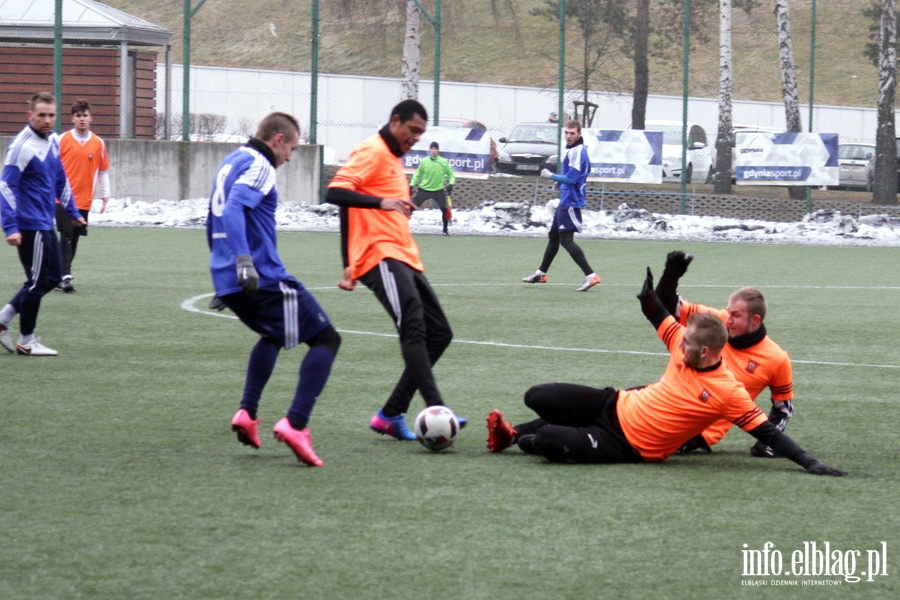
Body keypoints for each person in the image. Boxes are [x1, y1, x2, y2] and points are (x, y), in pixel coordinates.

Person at [485, 266, 846, 477]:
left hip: (627, 445)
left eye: (686, 342)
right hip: (614, 404)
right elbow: (659, 315)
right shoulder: (683, 344)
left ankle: (520, 436)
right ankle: (513, 434)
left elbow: (771, 432)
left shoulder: (729, 390)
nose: (678, 341)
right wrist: (648, 294)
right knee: (538, 396)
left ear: (703, 352)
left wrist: (811, 463)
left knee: (548, 440)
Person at [325, 99, 465, 441]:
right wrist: (379, 206)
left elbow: (350, 204)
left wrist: (347, 262)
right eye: (413, 130)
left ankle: (390, 413)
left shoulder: (392, 160)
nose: (416, 138)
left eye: (421, 133)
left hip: (404, 256)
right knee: (413, 325)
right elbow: (335, 192)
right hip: (379, 255)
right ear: (395, 121)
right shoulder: (371, 150)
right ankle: (437, 409)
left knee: (440, 333)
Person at [206, 111, 341, 467]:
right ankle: (296, 424)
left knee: (274, 335)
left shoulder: (232, 160)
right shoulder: (261, 164)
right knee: (327, 339)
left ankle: (247, 414)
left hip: (230, 277)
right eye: (291, 148)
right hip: (262, 275)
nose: (290, 158)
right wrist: (243, 261)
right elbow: (233, 208)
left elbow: (214, 217)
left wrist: (226, 274)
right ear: (277, 140)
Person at [653, 251, 795, 458]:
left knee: (628, 441)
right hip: (666, 402)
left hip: (695, 431)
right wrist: (671, 275)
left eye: (736, 316)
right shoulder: (717, 322)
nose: (728, 320)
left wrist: (767, 443)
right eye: (728, 312)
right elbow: (665, 306)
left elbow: (783, 409)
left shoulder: (777, 358)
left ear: (755, 320)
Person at [0, 92, 86, 356]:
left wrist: (73, 211)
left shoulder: (52, 141)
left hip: (45, 222)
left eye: (51, 115)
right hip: (29, 225)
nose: (47, 120)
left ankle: (2, 321)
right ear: (30, 116)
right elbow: (5, 186)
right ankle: (26, 340)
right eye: (42, 115)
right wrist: (11, 227)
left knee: (52, 278)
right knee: (38, 283)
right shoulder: (21, 147)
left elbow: (60, 180)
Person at [522, 120, 601, 292]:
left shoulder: (577, 151)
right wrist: (562, 184)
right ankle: (541, 273)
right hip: (566, 199)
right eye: (566, 132)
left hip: (571, 202)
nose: (568, 136)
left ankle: (590, 275)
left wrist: (552, 176)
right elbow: (574, 177)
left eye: (572, 133)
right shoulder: (575, 150)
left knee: (566, 241)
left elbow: (573, 179)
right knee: (554, 236)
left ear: (579, 134)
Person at [55, 98, 111, 293]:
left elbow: (103, 170)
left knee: (74, 238)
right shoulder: (62, 140)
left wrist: (106, 193)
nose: (81, 119)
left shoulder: (98, 143)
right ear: (72, 119)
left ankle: (58, 273)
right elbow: (51, 166)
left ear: (90, 118)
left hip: (84, 200)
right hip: (61, 199)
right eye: (78, 116)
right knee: (67, 234)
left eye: (84, 115)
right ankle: (66, 276)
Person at [410, 141, 455, 236]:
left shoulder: (443, 162)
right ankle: (402, 229)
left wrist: (451, 184)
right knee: (411, 207)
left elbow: (451, 175)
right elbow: (417, 174)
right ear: (430, 150)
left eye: (435, 149)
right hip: (424, 190)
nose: (434, 151)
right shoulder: (424, 161)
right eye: (432, 149)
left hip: (438, 191)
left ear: (438, 150)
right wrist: (411, 185)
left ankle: (445, 230)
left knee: (444, 209)